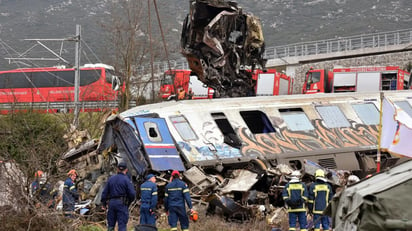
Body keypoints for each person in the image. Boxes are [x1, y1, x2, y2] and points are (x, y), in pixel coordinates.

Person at [101, 162, 136, 231]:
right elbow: (132, 194)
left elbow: (104, 193)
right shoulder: (126, 180)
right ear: (126, 170)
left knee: (110, 225)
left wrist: (104, 204)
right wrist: (128, 202)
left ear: (117, 169)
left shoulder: (111, 179)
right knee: (122, 225)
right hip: (122, 204)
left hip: (111, 203)